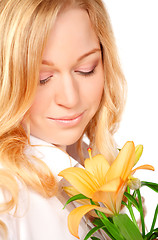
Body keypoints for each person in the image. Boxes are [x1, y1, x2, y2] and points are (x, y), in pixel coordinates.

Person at [0, 0, 126, 239]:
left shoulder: (101, 167)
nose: (70, 98)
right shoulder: (7, 196)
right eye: (42, 78)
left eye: (86, 69)